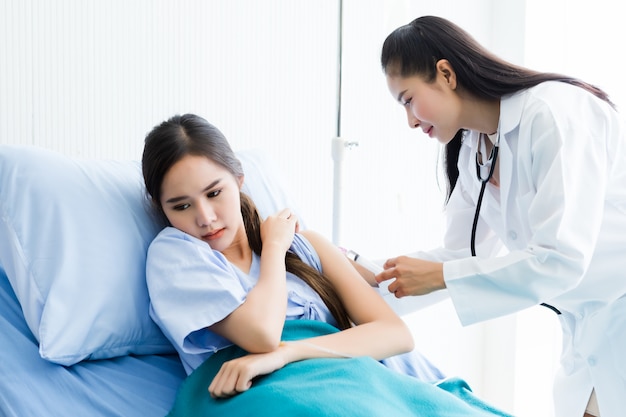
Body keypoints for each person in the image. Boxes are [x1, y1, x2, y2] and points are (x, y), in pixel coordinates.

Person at [140, 113, 513, 416]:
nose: (204, 217)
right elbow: (261, 335)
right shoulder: (176, 254)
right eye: (181, 205)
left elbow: (396, 335)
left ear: (239, 180)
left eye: (214, 193)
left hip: (344, 379)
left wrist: (290, 352)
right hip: (257, 395)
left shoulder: (307, 247)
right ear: (163, 209)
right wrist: (272, 251)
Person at [376, 15, 626, 417]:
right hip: (586, 326)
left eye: (408, 99)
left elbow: (561, 258)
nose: (409, 120)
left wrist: (438, 277)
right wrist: (357, 275)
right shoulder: (476, 146)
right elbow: (458, 254)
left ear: (445, 73)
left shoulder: (554, 112)